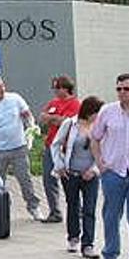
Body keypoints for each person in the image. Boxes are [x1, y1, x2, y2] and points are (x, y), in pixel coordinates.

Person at [90, 73, 129, 259]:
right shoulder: (108, 111)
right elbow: (95, 138)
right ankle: (110, 254)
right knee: (111, 215)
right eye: (119, 89)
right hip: (113, 171)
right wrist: (100, 163)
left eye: (126, 89)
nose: (122, 92)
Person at [0, 75, 44, 221]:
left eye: (3, 85)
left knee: (25, 179)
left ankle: (33, 206)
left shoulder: (15, 99)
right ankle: (1, 209)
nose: (2, 89)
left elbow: (27, 114)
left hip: (19, 148)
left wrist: (31, 126)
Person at [51, 96, 104, 259]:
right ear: (89, 112)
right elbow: (56, 144)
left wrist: (94, 170)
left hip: (90, 175)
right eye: (97, 113)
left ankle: (88, 244)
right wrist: (59, 166)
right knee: (73, 205)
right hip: (71, 173)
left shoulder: (99, 127)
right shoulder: (71, 124)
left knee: (89, 209)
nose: (99, 116)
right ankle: (73, 237)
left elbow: (105, 151)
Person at [39, 76, 82, 223]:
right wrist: (56, 119)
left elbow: (68, 123)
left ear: (66, 88)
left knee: (68, 181)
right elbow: (42, 117)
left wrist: (54, 118)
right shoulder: (53, 102)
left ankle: (77, 210)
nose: (55, 91)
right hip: (50, 146)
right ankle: (55, 212)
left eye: (57, 88)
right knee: (48, 179)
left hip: (65, 148)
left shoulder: (75, 104)